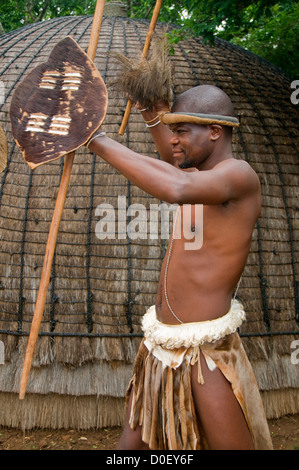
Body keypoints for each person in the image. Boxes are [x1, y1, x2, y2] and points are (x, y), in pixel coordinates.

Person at [86, 84, 273, 450]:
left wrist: (96, 140)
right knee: (129, 451)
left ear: (215, 132)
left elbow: (176, 186)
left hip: (206, 353)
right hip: (159, 348)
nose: (174, 141)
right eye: (173, 133)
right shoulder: (198, 172)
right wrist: (152, 115)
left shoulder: (237, 176)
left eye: (182, 132)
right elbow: (175, 164)